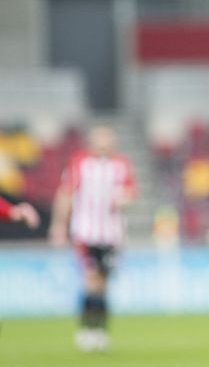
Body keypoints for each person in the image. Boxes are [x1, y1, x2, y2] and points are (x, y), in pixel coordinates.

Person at [49, 126, 137, 352]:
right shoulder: (79, 163)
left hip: (111, 233)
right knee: (92, 280)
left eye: (108, 139)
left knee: (104, 284)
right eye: (100, 139)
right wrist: (59, 225)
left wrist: (123, 199)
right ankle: (87, 330)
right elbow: (66, 194)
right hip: (85, 232)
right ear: (92, 142)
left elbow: (130, 192)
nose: (104, 143)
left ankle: (100, 332)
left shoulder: (121, 164)